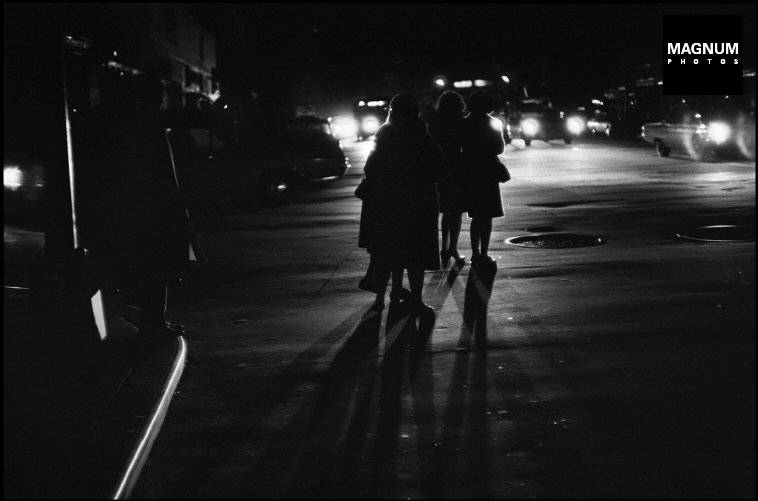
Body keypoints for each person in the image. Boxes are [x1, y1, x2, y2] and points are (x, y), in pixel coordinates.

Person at [92, 74, 193, 340]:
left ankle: (154, 321)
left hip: (147, 210)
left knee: (154, 268)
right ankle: (153, 323)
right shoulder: (150, 128)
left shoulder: (135, 127)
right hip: (156, 211)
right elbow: (161, 175)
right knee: (158, 268)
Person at [363, 93, 447, 312]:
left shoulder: (384, 136)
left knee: (392, 250)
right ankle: (416, 300)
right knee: (416, 254)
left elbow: (370, 168)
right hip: (418, 202)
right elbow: (441, 168)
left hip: (389, 202)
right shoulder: (422, 136)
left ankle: (389, 293)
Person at [461, 91, 505, 268]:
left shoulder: (465, 124)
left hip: (471, 171)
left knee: (476, 215)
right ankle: (484, 253)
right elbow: (500, 148)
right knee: (487, 217)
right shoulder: (493, 123)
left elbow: (461, 146)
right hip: (488, 171)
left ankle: (475, 253)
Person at [428, 90, 467, 269]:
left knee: (445, 211)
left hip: (440, 168)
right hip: (458, 167)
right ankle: (453, 248)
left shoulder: (435, 122)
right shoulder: (460, 122)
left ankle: (444, 248)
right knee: (456, 211)